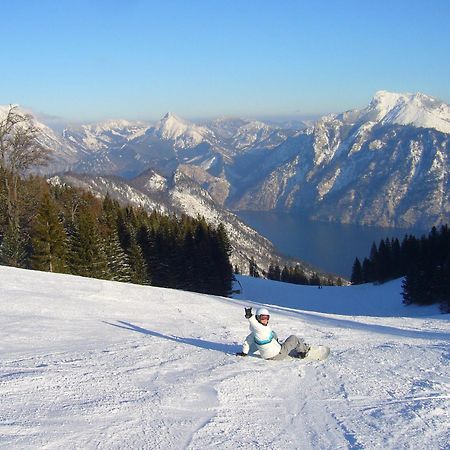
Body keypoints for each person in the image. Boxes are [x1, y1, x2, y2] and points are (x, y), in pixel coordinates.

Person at [236, 307, 310, 360]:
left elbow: (247, 341)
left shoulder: (255, 333)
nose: (265, 320)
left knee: (273, 333)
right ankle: (303, 352)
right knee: (294, 338)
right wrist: (250, 317)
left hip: (266, 355)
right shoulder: (260, 329)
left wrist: (244, 352)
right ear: (257, 318)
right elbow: (256, 325)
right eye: (262, 317)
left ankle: (278, 346)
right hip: (277, 354)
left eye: (267, 317)